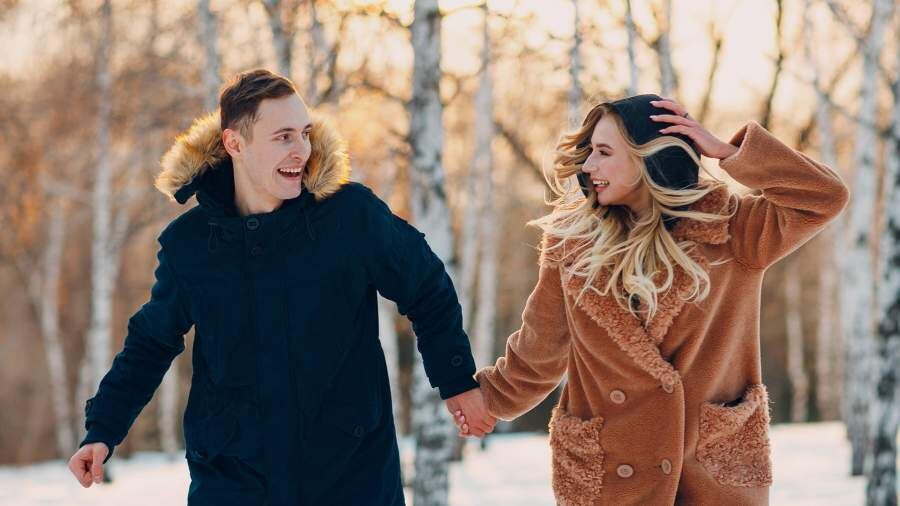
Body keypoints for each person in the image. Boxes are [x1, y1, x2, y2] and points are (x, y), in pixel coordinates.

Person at [67, 68, 495, 505]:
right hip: (235, 482)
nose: (302, 150)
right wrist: (103, 429)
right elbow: (150, 343)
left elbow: (427, 287)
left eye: (305, 133)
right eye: (283, 137)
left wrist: (456, 380)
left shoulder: (349, 217)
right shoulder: (191, 245)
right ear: (235, 143)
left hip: (351, 477)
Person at [452, 94, 849, 505]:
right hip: (609, 474)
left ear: (649, 157)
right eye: (589, 152)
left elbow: (824, 195)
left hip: (710, 473)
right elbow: (541, 347)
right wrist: (488, 400)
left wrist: (727, 152)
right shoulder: (572, 244)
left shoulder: (732, 230)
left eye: (604, 152)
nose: (588, 166)